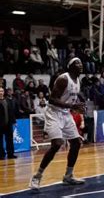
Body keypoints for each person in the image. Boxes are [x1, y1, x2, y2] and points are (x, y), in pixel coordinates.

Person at [29, 58, 86, 190]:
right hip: (53, 113)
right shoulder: (63, 79)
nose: (80, 65)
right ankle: (37, 176)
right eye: (77, 63)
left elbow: (69, 101)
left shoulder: (78, 82)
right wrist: (72, 105)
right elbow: (52, 99)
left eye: (81, 63)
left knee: (76, 142)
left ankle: (68, 176)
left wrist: (76, 108)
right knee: (57, 144)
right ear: (70, 67)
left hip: (65, 114)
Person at [0, 87, 17, 159]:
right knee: (0, 141)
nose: (1, 92)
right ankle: (1, 155)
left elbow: (11, 112)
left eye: (2, 91)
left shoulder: (7, 100)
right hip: (0, 125)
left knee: (9, 140)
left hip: (8, 124)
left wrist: (14, 121)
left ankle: (10, 154)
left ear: (4, 92)